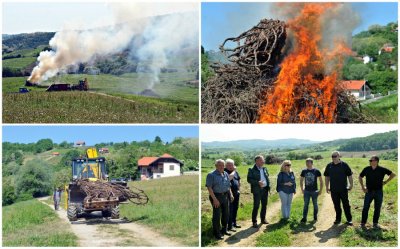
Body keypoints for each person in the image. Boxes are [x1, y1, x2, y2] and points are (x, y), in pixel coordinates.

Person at [359, 155, 396, 229]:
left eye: (371, 160)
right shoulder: (366, 169)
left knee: (377, 208)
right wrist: (363, 187)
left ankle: (375, 223)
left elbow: (393, 174)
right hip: (368, 192)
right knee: (365, 207)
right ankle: (363, 223)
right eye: (370, 160)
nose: (370, 162)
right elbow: (360, 176)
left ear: (376, 161)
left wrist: (385, 182)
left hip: (378, 192)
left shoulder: (382, 169)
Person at [206, 159, 234, 240]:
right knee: (217, 216)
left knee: (226, 214)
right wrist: (214, 199)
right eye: (219, 165)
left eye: (223, 165)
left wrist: (231, 194)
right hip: (216, 196)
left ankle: (224, 230)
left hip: (225, 196)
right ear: (216, 166)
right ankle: (217, 233)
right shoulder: (211, 175)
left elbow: (228, 185)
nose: (221, 167)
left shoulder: (225, 173)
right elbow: (209, 187)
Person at [324, 151, 353, 225]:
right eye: (332, 156)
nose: (333, 158)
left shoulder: (344, 165)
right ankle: (338, 219)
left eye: (335, 156)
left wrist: (351, 185)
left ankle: (349, 219)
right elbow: (327, 177)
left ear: (339, 156)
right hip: (333, 190)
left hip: (343, 189)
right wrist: (327, 186)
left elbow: (349, 175)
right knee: (336, 205)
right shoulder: (329, 166)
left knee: (346, 205)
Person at [247, 155, 270, 228]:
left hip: (265, 189)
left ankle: (263, 219)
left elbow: (267, 176)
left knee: (264, 205)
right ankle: (254, 222)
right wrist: (258, 182)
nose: (263, 161)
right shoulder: (251, 169)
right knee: (256, 206)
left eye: (263, 160)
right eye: (261, 160)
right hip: (257, 190)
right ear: (256, 161)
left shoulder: (264, 168)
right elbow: (249, 179)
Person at [300, 158, 323, 223]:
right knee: (305, 205)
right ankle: (304, 218)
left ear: (312, 163)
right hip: (306, 191)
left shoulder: (317, 171)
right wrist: (302, 189)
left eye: (308, 162)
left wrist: (320, 190)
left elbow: (321, 181)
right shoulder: (304, 171)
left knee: (315, 204)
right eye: (306, 162)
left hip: (314, 191)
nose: (307, 163)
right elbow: (301, 180)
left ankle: (315, 217)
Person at [225, 159, 241, 231]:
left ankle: (234, 223)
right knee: (230, 209)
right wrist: (234, 170)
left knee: (235, 208)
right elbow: (229, 178)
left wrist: (239, 189)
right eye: (229, 165)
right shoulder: (225, 172)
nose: (231, 166)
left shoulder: (235, 172)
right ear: (226, 165)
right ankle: (230, 225)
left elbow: (238, 179)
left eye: (232, 165)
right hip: (229, 193)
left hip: (236, 193)